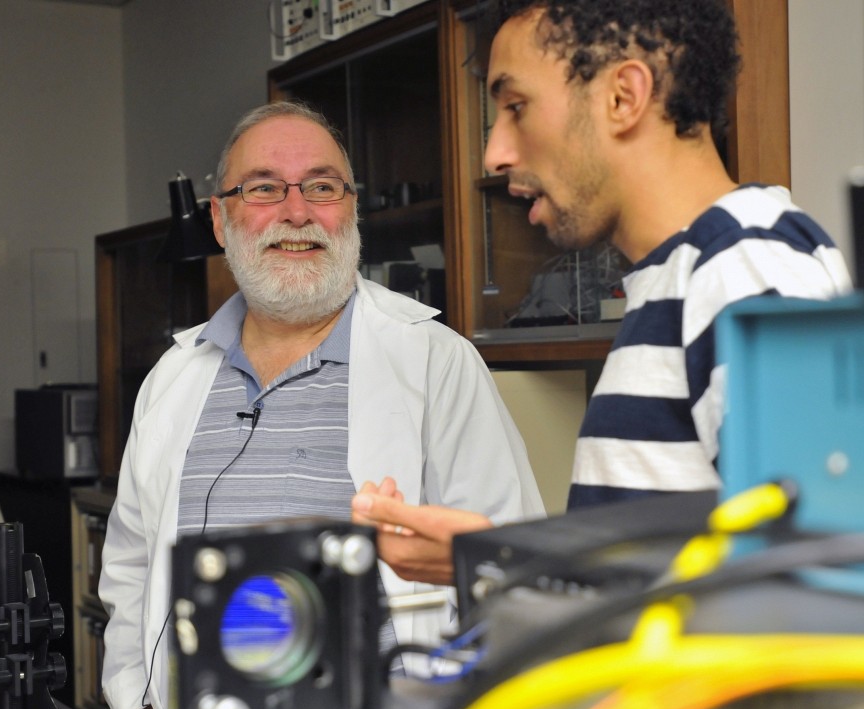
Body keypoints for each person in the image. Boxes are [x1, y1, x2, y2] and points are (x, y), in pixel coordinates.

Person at [351, 0, 853, 584]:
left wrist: (506, 561)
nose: (496, 153)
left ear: (623, 97)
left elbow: (814, 597)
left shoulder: (746, 265)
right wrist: (494, 562)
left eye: (516, 107)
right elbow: (651, 589)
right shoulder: (680, 281)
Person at [97, 100, 545, 709]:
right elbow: (130, 564)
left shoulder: (437, 361)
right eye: (264, 189)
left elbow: (507, 567)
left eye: (322, 187)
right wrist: (135, 700)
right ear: (221, 221)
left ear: (351, 210)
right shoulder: (173, 376)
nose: (298, 212)